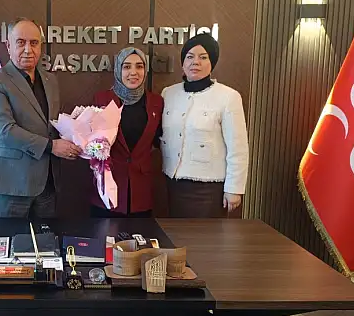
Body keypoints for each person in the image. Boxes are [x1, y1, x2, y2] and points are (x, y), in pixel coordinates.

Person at [0, 18, 81, 218]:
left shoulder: (50, 80)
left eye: (34, 43)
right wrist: (52, 146)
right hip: (10, 185)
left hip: (47, 185)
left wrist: (76, 130)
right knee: (9, 238)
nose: (28, 49)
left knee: (45, 238)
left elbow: (48, 124)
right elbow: (5, 130)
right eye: (21, 42)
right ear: (8, 46)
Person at [160, 32, 249, 218]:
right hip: (173, 184)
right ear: (183, 63)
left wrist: (234, 188)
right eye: (190, 57)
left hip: (208, 189)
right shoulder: (168, 93)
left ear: (212, 63)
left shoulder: (228, 97)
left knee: (206, 236)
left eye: (203, 57)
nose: (195, 62)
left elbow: (238, 148)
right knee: (175, 234)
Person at [90, 47, 164, 218]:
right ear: (118, 70)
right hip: (107, 189)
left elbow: (159, 139)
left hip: (140, 191)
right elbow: (90, 141)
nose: (133, 72)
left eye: (139, 66)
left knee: (141, 235)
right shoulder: (101, 99)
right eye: (126, 66)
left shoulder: (156, 102)